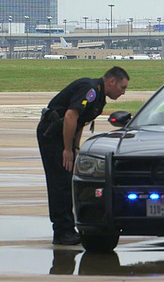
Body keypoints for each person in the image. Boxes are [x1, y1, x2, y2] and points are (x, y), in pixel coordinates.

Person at [37, 66, 129, 245]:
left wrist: (75, 147)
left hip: (64, 135)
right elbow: (71, 116)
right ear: (112, 82)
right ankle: (62, 232)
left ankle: (67, 229)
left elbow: (79, 122)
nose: (123, 92)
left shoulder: (100, 96)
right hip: (52, 133)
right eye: (122, 87)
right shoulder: (91, 90)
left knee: (66, 181)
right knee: (59, 182)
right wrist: (67, 150)